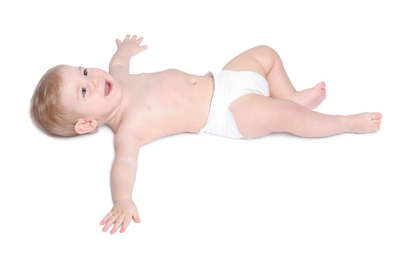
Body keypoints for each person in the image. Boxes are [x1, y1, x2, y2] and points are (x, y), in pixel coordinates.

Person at [30, 34, 382, 234]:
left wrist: (124, 50)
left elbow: (118, 64)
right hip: (227, 112)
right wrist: (123, 199)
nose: (92, 79)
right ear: (87, 124)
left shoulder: (115, 78)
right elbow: (124, 164)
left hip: (225, 79)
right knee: (284, 116)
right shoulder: (128, 129)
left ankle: (289, 93)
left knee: (265, 53)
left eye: (83, 71)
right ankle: (343, 123)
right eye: (83, 92)